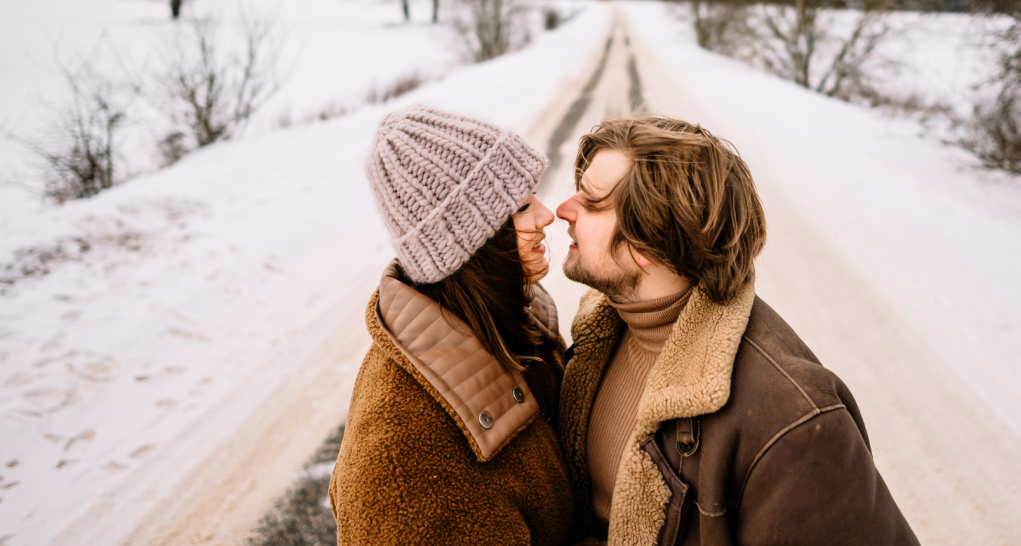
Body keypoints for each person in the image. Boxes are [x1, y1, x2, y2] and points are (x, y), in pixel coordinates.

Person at [555, 114, 919, 545]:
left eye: (593, 203)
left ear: (648, 241)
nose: (562, 209)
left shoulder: (795, 422)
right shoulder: (604, 333)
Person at [329, 105, 573, 545]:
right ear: (470, 245)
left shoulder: (512, 325)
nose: (545, 215)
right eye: (521, 207)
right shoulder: (399, 467)